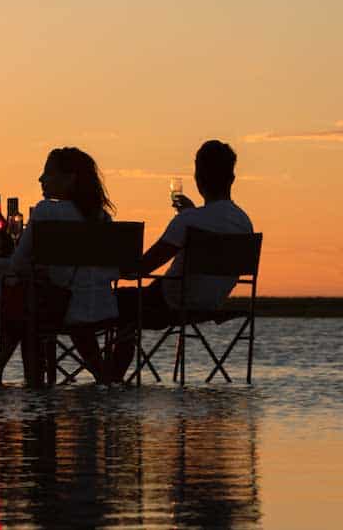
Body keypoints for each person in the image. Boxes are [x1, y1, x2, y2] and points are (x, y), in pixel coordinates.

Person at [105, 140, 253, 382]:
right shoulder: (243, 222)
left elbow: (143, 268)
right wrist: (192, 212)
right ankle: (111, 377)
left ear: (198, 177)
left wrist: (110, 269)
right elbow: (210, 224)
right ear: (232, 178)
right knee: (131, 302)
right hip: (210, 304)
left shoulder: (189, 222)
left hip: (169, 302)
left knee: (119, 302)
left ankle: (111, 379)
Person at [0, 147, 119, 387]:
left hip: (58, 309)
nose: (41, 179)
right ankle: (102, 374)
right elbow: (114, 271)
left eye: (48, 173)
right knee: (37, 299)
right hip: (103, 308)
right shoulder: (103, 218)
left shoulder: (46, 211)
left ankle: (20, 375)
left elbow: (17, 263)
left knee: (23, 296)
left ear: (69, 179)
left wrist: (40, 271)